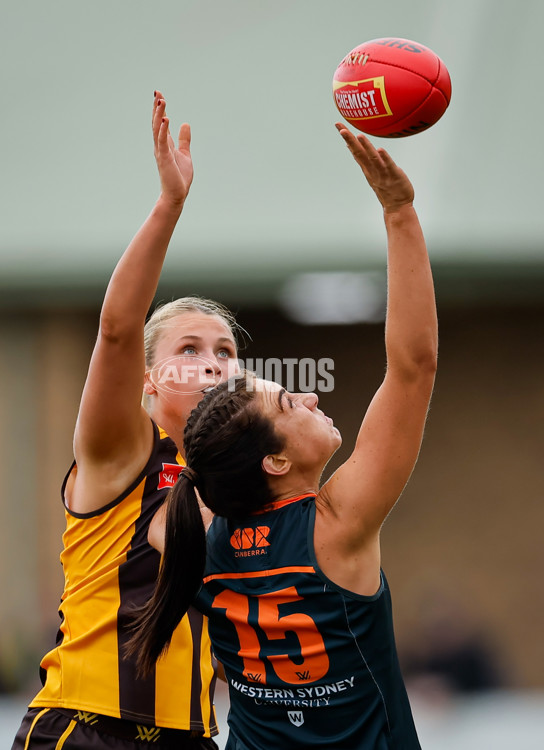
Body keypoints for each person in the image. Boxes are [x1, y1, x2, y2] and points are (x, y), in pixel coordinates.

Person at [128, 126, 438, 749]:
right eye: (291, 400)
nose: (313, 395)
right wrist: (399, 212)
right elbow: (413, 365)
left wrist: (184, 411)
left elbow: (200, 469)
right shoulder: (336, 524)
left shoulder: (187, 531)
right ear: (273, 460)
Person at [11, 92, 242, 749]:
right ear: (147, 379)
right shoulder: (123, 453)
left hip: (194, 736)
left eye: (226, 353)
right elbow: (117, 332)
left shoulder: (236, 486)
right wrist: (170, 205)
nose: (213, 364)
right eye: (190, 349)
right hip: (87, 729)